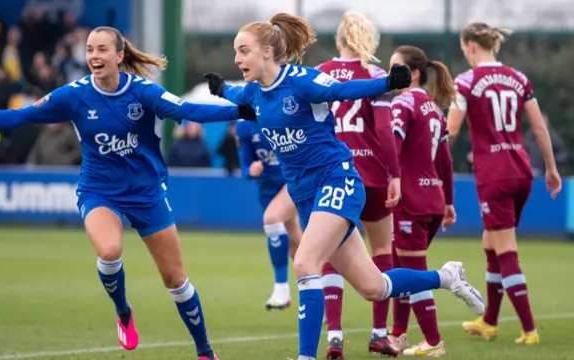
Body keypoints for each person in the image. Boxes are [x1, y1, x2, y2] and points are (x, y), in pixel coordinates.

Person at [0, 26, 256, 360]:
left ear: (119, 55)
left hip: (146, 192)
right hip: (99, 190)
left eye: (102, 50)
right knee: (110, 250)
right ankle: (123, 312)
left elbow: (187, 111)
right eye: (89, 49)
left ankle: (205, 352)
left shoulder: (143, 92)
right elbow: (20, 116)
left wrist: (237, 110)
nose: (94, 56)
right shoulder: (74, 95)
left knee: (176, 279)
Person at [204, 12, 485, 360]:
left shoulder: (303, 80)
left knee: (306, 263)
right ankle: (446, 277)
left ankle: (306, 355)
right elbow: (233, 95)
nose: (236, 59)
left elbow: (341, 89)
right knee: (374, 287)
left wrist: (386, 84)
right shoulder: (253, 93)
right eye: (236, 51)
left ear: (267, 52)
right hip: (307, 194)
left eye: (243, 50)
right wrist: (208, 95)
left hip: (337, 180)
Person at [447, 22, 562, 346]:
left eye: (464, 49)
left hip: (493, 174)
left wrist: (433, 155)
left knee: (505, 247)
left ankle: (529, 330)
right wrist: (551, 168)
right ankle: (490, 321)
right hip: (521, 171)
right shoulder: (518, 78)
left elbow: (451, 131)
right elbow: (539, 127)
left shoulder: (465, 81)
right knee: (491, 243)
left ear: (470, 46)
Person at [314, 11, 402, 358]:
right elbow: (383, 130)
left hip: (333, 172)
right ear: (370, 42)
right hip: (372, 175)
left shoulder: (320, 72)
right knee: (382, 251)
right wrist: (395, 173)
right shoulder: (376, 75)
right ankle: (379, 333)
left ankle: (334, 336)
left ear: (338, 40)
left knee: (330, 255)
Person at [388, 45, 457, 357]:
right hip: (431, 198)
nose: (391, 75)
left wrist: (392, 179)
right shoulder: (432, 108)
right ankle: (397, 335)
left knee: (413, 273)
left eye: (396, 68)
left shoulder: (402, 102)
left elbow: (394, 143)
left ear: (413, 73)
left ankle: (433, 341)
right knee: (400, 267)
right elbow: (445, 161)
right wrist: (449, 202)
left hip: (410, 199)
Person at [235, 118, 302, 310]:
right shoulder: (244, 125)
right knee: (296, 246)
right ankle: (318, 295)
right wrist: (252, 169)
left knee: (272, 220)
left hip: (293, 181)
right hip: (267, 189)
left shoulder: (283, 113)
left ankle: (281, 288)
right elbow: (245, 167)